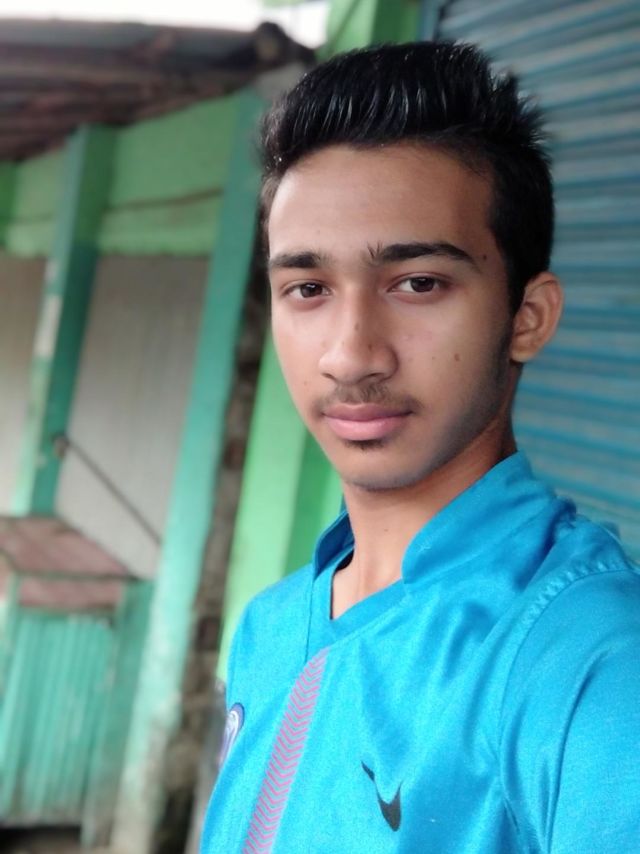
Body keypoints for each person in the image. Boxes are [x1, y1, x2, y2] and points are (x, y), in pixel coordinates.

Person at [201, 41, 640, 853]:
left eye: (418, 283)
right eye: (308, 289)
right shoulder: (272, 626)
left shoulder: (591, 662)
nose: (351, 354)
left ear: (527, 318)